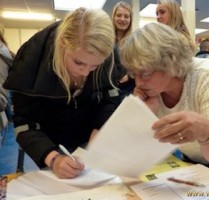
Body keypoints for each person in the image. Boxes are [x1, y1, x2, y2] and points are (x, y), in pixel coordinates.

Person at [119, 22, 209, 178]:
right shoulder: (151, 91)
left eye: (144, 74)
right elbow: (141, 149)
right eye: (134, 74)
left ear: (169, 63)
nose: (138, 83)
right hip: (195, 155)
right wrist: (146, 117)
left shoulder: (207, 74)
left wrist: (205, 131)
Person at [4, 8, 126, 179]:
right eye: (78, 62)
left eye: (94, 66)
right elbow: (24, 123)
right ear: (62, 44)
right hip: (51, 141)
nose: (85, 73)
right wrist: (53, 159)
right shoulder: (31, 59)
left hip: (89, 145)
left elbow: (111, 97)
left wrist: (100, 127)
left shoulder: (108, 55)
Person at [111, 1, 135, 99]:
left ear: (130, 19)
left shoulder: (135, 41)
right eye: (119, 15)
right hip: (109, 89)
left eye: (126, 16)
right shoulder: (107, 40)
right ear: (113, 17)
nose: (122, 19)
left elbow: (142, 66)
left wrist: (128, 76)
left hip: (129, 89)